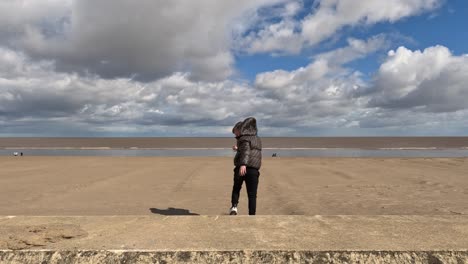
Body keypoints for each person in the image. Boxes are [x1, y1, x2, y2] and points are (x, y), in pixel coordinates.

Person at [229, 117, 262, 215]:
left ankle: (234, 207)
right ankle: (252, 215)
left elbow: (246, 151)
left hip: (242, 167)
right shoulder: (257, 139)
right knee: (252, 194)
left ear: (241, 129)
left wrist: (243, 164)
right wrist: (238, 148)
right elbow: (252, 151)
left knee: (236, 188)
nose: (235, 134)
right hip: (255, 169)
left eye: (235, 132)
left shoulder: (243, 138)